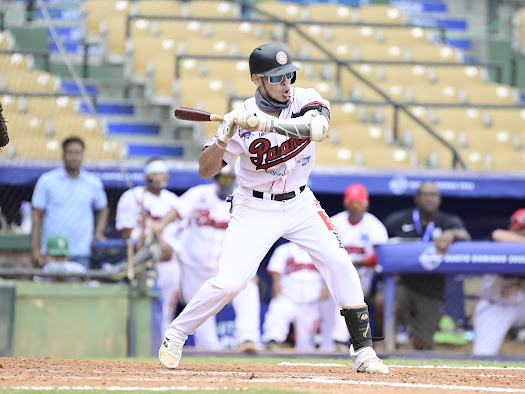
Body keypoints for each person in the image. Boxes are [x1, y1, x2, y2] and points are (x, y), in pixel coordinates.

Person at [158, 43, 389, 374]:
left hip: (300, 202)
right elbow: (206, 170)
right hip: (254, 206)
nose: (286, 83)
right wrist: (224, 136)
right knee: (230, 283)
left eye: (289, 75)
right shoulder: (240, 117)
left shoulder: (307, 98)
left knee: (339, 262)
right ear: (257, 80)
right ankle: (176, 333)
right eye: (277, 78)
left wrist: (268, 126)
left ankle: (365, 352)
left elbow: (319, 130)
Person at [171, 165, 261, 352]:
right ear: (216, 179)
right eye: (222, 179)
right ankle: (211, 353)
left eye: (229, 179)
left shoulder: (244, 200)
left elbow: (251, 238)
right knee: (202, 319)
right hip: (194, 267)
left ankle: (248, 339)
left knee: (248, 288)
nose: (226, 183)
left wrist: (252, 268)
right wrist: (159, 226)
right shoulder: (199, 195)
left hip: (225, 266)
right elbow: (177, 210)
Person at [382, 180, 471, 350]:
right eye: (425, 194)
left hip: (432, 288)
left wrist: (452, 234)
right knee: (382, 300)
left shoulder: (448, 222)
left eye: (433, 195)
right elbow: (382, 245)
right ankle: (388, 343)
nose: (429, 199)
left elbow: (465, 235)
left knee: (423, 344)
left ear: (439, 199)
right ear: (416, 198)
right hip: (403, 283)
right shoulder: (397, 221)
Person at [115, 157, 186, 338]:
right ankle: (142, 347)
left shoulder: (173, 200)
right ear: (147, 176)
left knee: (167, 311)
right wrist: (147, 235)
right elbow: (125, 232)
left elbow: (182, 236)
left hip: (169, 264)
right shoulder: (133, 196)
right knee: (142, 305)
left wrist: (170, 246)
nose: (160, 177)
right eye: (155, 173)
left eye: (163, 173)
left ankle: (163, 346)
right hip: (142, 263)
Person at [319, 183, 389, 351]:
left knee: (346, 291)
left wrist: (354, 263)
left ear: (366, 204)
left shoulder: (375, 226)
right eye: (352, 203)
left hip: (366, 276)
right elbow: (323, 252)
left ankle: (339, 341)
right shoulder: (335, 222)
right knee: (326, 299)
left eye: (359, 203)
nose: (356, 207)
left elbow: (380, 258)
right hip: (335, 272)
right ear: (346, 203)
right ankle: (327, 344)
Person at [31, 136, 108, 269]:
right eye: (70, 152)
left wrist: (98, 232)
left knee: (79, 289)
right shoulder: (47, 180)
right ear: (63, 155)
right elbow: (36, 216)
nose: (74, 157)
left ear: (83, 155)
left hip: (81, 250)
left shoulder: (93, 182)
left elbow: (103, 208)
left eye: (78, 152)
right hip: (52, 250)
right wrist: (35, 249)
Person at [472, 208, 525, 356]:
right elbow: (497, 235)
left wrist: (516, 283)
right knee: (483, 355)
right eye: (521, 229)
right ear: (511, 229)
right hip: (497, 305)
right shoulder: (501, 241)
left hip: (522, 304)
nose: (524, 233)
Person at [262, 240, 325, 350]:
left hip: (311, 301)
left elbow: (328, 271)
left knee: (306, 344)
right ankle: (271, 341)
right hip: (287, 296)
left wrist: (325, 287)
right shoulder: (284, 249)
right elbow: (275, 269)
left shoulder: (319, 250)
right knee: (277, 311)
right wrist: (276, 283)